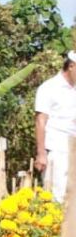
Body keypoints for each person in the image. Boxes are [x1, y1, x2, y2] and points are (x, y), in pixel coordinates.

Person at [34, 51, 76, 201]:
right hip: (58, 150)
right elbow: (40, 121)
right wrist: (41, 153)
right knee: (58, 196)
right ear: (71, 66)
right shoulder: (49, 88)